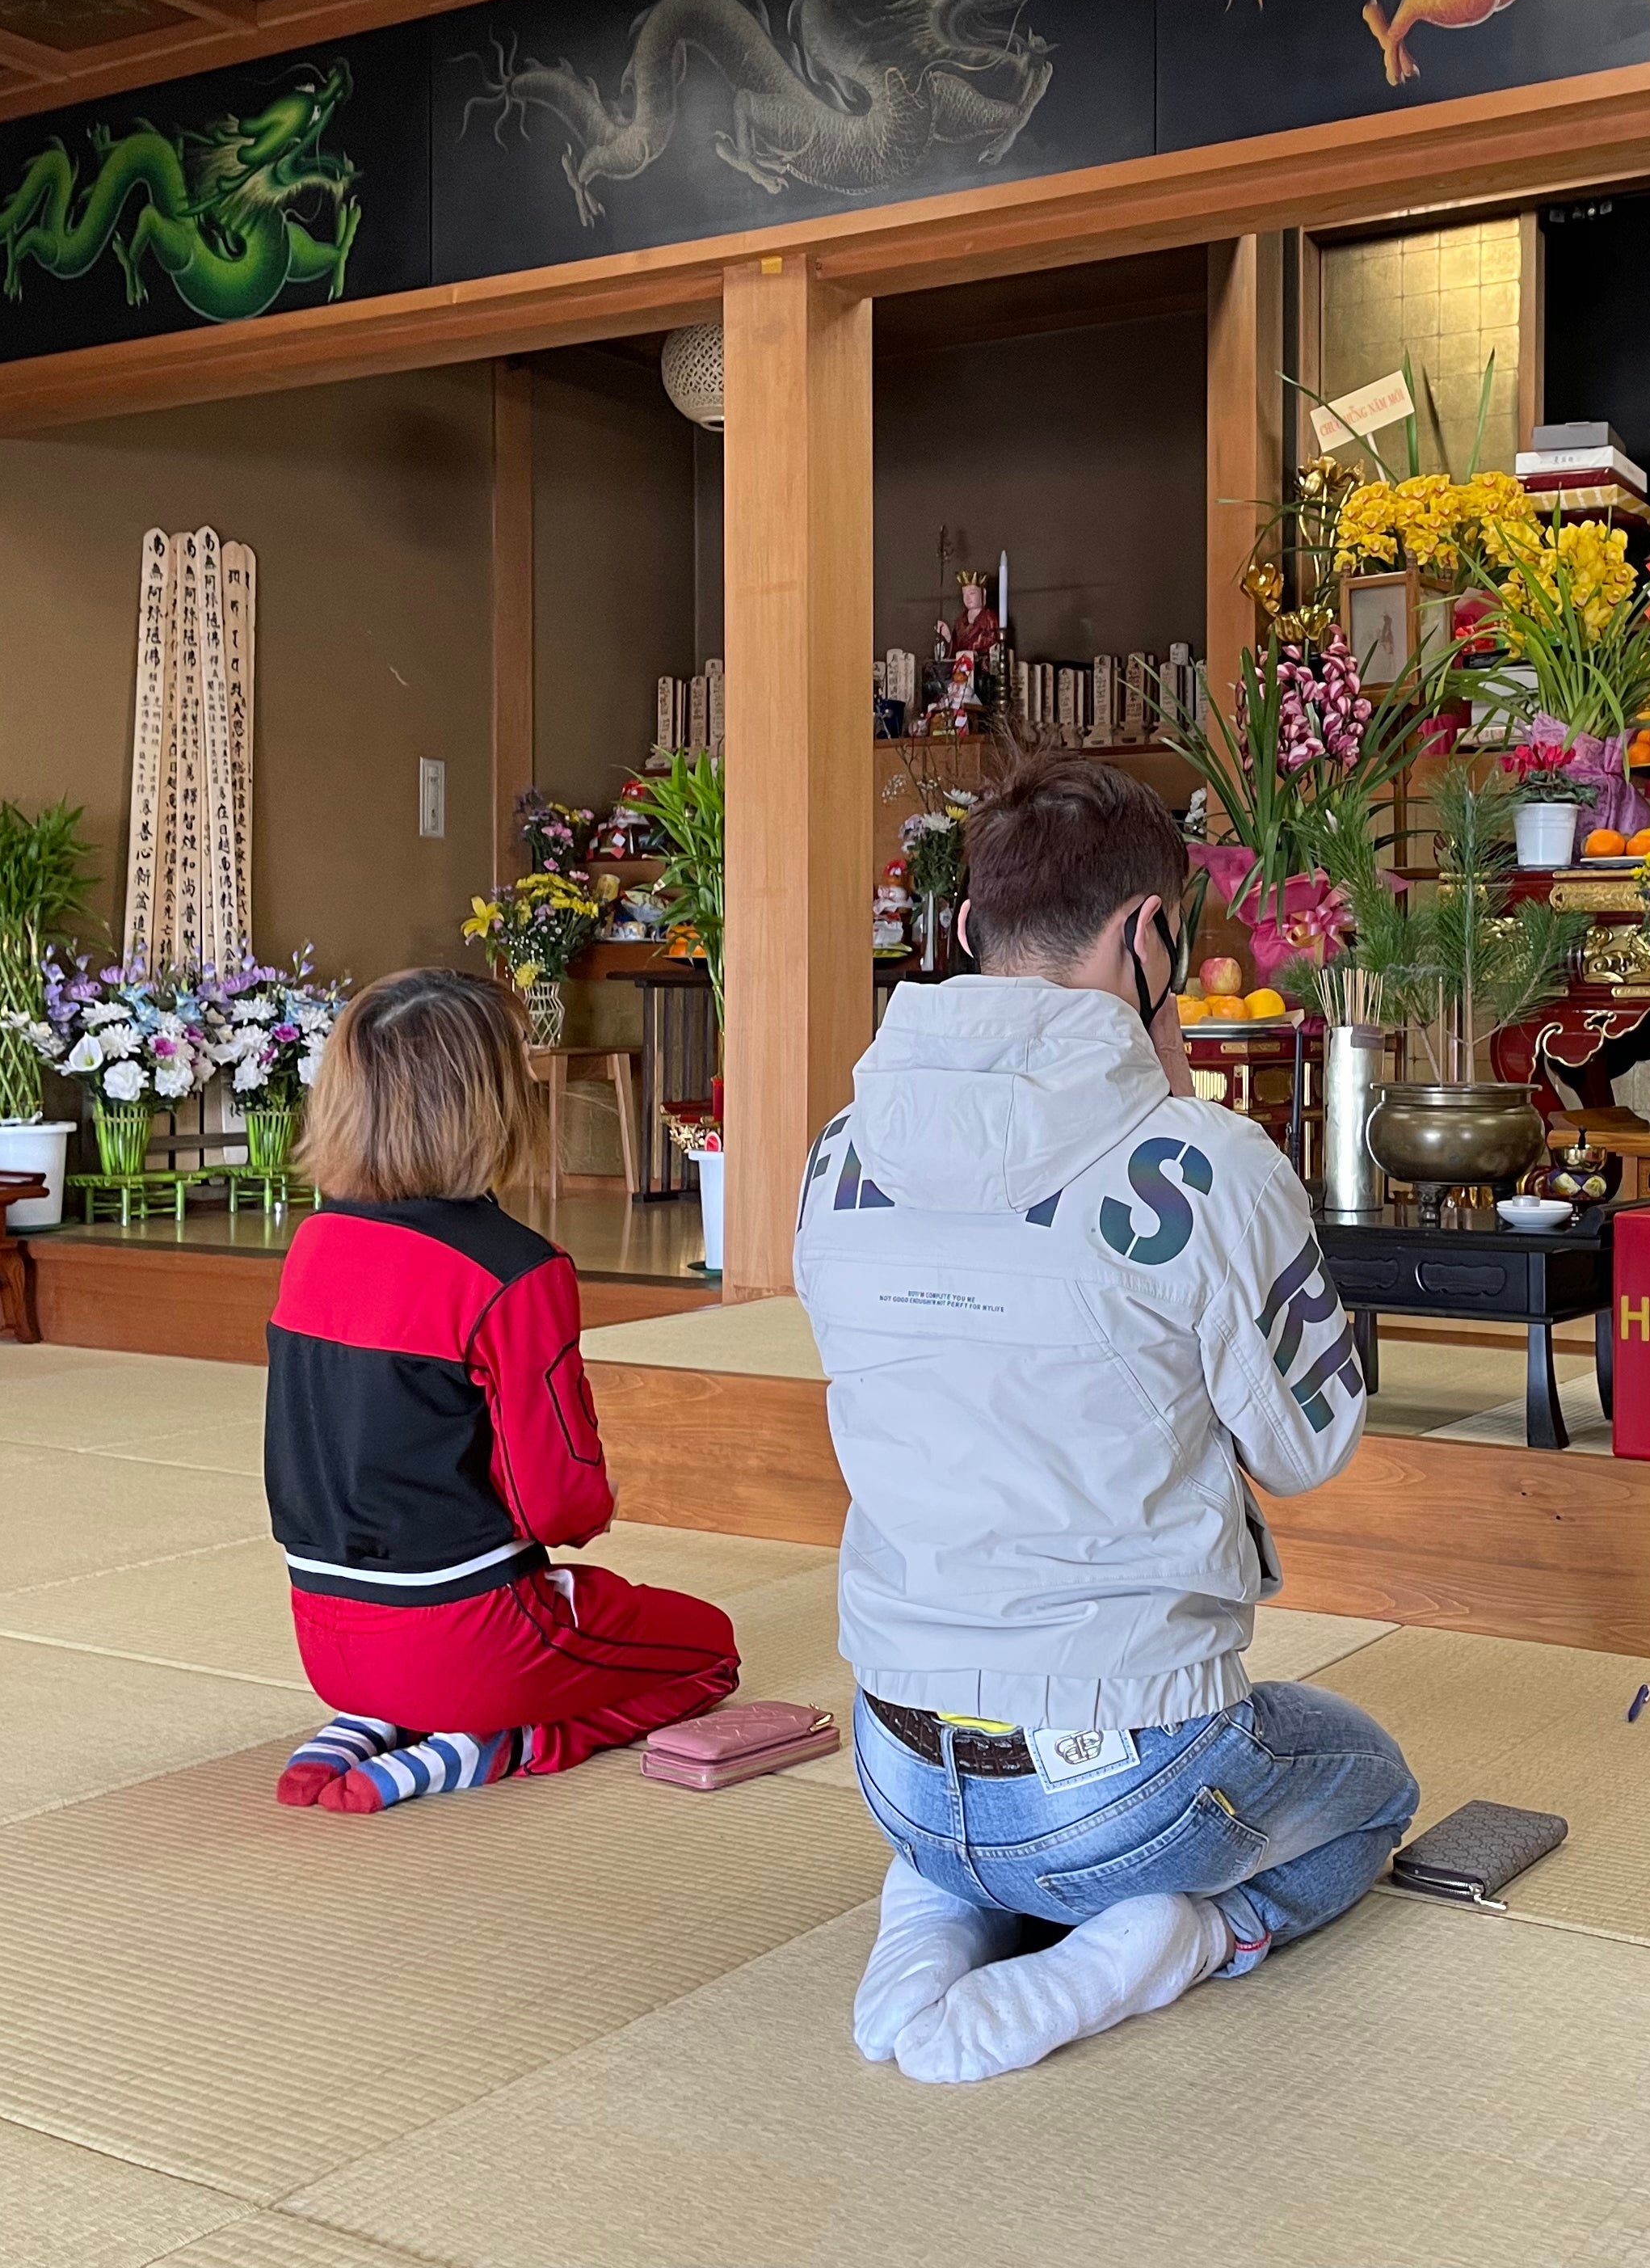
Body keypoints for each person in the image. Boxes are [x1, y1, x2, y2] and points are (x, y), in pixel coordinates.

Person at [794, 756, 1414, 2085]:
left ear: (965, 930)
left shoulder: (835, 1148)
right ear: (1151, 934)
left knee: (978, 1810)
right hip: (1119, 1779)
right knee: (1369, 1785)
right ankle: (1167, 1939)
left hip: (894, 1758)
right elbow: (1310, 1444)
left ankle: (934, 1903)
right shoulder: (1199, 1162)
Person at [263, 967, 740, 1814]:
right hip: (471, 1637)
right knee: (710, 1647)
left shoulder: (314, 1244)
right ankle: (508, 1740)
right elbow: (557, 1506)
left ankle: (375, 1721)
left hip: (321, 1633)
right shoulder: (514, 1271)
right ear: (495, 1102)